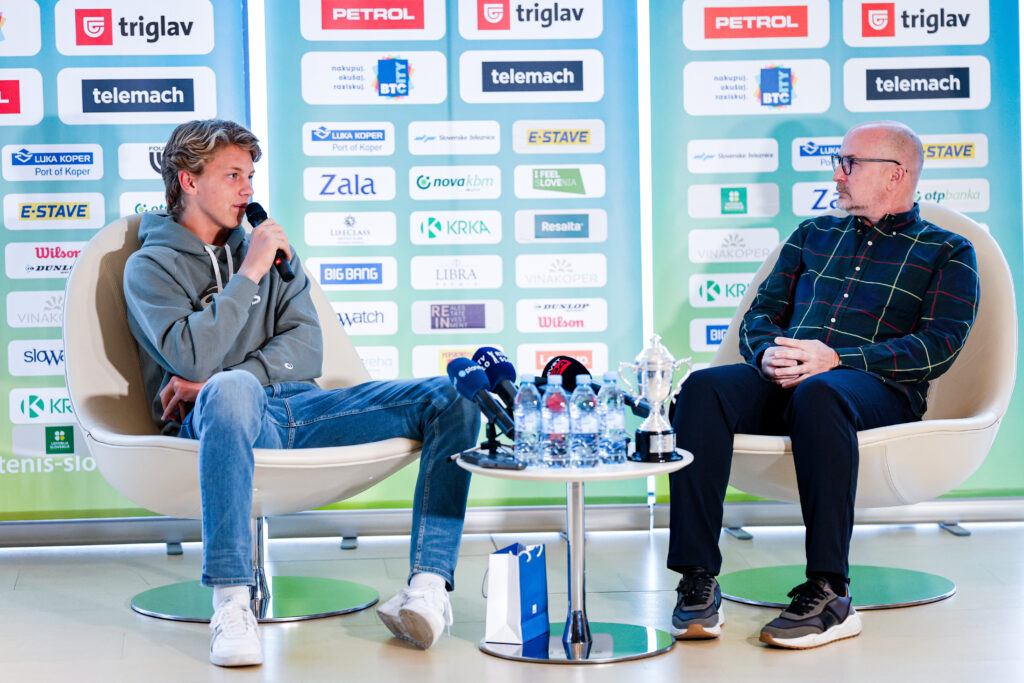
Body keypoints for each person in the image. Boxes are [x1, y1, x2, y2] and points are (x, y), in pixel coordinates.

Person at [123, 119, 480, 667]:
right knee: (232, 390)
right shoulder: (150, 266)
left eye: (250, 175)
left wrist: (222, 373)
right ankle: (232, 603)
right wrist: (248, 277)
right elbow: (190, 356)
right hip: (222, 419)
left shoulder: (272, 251)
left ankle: (427, 588)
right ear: (188, 181)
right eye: (233, 175)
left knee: (453, 395)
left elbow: (307, 348)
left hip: (302, 407)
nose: (248, 189)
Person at [667, 121, 979, 649]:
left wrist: (836, 360)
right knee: (702, 389)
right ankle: (697, 579)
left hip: (876, 390)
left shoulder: (947, 251)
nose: (837, 174)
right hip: (790, 380)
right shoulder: (813, 234)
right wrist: (766, 354)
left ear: (896, 174)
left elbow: (940, 345)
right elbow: (760, 314)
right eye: (839, 162)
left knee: (822, 392)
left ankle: (830, 591)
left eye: (849, 164)